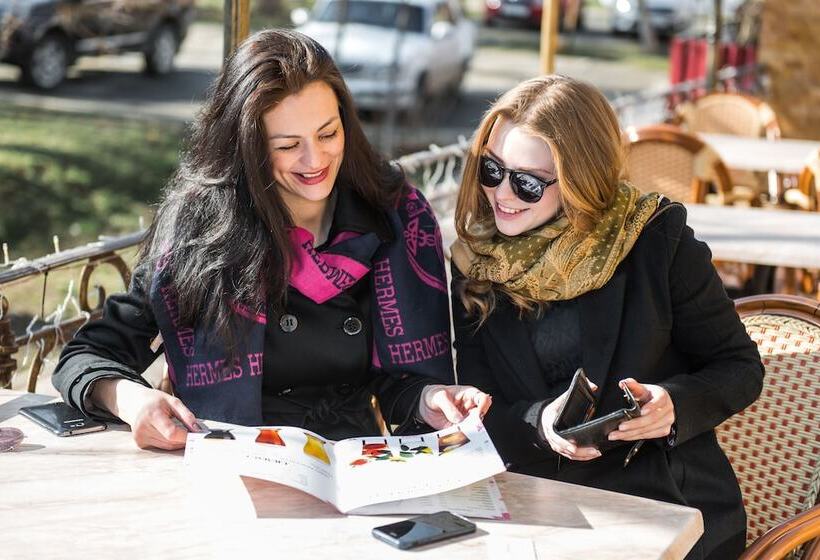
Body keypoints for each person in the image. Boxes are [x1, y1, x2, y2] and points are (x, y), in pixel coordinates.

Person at [53, 29, 489, 451]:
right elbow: (87, 355)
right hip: (229, 457)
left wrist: (430, 398)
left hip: (350, 460)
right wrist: (133, 400)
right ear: (247, 147)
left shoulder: (395, 217)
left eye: (328, 133)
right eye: (287, 145)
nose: (315, 160)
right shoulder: (201, 230)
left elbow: (402, 385)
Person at [449, 75, 763, 560]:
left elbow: (739, 368)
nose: (502, 194)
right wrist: (541, 424)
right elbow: (481, 406)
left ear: (580, 178)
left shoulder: (656, 240)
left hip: (661, 502)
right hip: (533, 504)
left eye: (527, 182)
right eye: (492, 170)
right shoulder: (478, 259)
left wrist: (672, 405)